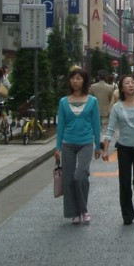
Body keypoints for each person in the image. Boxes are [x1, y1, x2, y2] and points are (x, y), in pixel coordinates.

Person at [102, 74, 134, 225]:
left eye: (133, 82)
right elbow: (110, 130)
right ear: (122, 87)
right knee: (124, 182)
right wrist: (105, 150)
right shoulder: (117, 107)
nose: (130, 85)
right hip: (123, 148)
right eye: (127, 83)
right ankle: (127, 214)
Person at [55, 68, 102, 225]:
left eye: (78, 78)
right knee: (68, 179)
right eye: (73, 78)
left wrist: (98, 145)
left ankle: (84, 209)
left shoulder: (92, 101)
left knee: (80, 175)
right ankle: (73, 212)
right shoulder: (63, 101)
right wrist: (57, 147)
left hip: (86, 143)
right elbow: (60, 125)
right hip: (67, 143)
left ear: (84, 81)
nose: (75, 81)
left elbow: (96, 124)